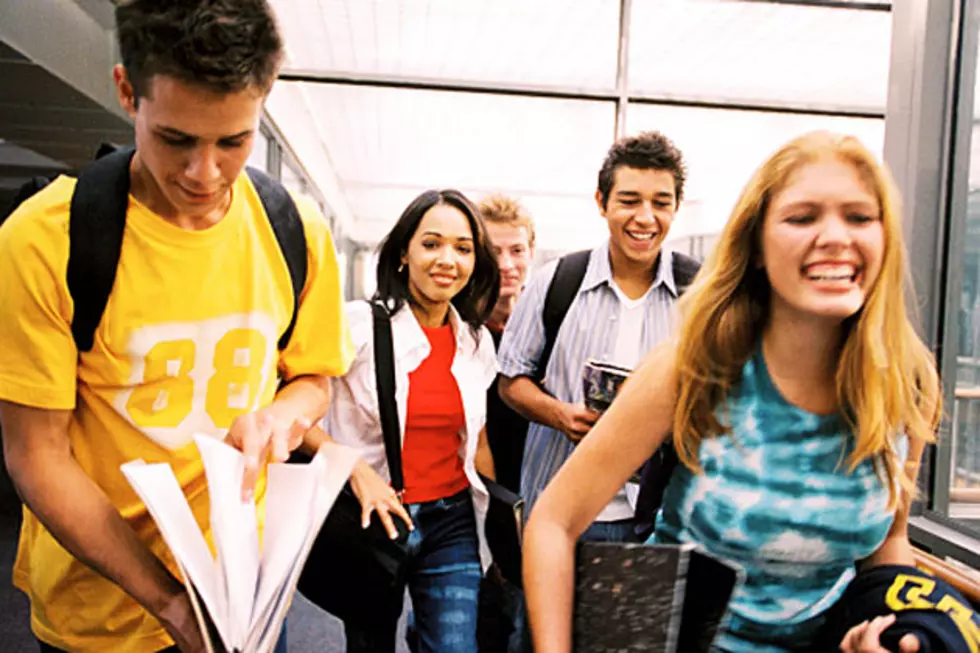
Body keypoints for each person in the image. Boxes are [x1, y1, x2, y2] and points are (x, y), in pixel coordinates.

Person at [0, 1, 353, 651]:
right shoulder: (46, 240)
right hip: (97, 616)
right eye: (176, 139)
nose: (205, 174)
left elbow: (313, 377)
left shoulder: (294, 230)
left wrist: (279, 417)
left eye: (233, 141)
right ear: (126, 92)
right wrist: (169, 600)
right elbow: (34, 453)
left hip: (239, 595)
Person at [521, 131, 942, 653]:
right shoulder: (695, 368)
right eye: (803, 217)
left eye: (859, 217)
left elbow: (888, 543)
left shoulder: (908, 383)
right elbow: (554, 523)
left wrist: (886, 626)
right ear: (758, 247)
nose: (836, 236)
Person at [320, 189, 500, 653]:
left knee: (456, 646)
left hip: (451, 521)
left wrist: (501, 523)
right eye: (432, 243)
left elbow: (476, 442)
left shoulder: (476, 342)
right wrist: (355, 470)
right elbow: (295, 412)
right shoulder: (357, 326)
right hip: (373, 520)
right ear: (404, 252)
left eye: (463, 249)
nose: (448, 260)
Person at [497, 130, 689, 542]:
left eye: (661, 203)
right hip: (560, 513)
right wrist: (559, 414)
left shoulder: (700, 295)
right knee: (546, 609)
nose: (645, 217)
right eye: (629, 200)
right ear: (602, 203)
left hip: (657, 520)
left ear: (677, 208)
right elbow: (511, 383)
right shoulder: (558, 283)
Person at [475, 194, 536, 653]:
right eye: (494, 251)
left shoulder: (547, 328)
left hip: (532, 497)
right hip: (475, 497)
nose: (507, 264)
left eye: (517, 251)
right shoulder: (461, 331)